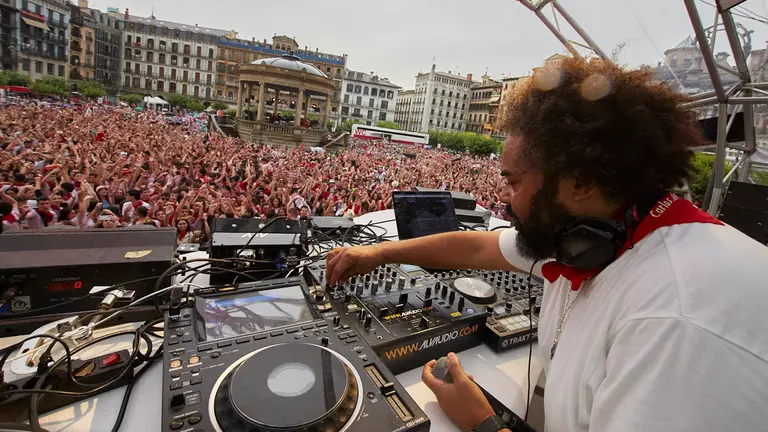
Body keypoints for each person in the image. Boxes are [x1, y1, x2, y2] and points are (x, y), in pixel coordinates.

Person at [325, 57, 768, 432]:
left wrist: (485, 422)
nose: (503, 198)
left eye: (514, 182)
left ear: (581, 181)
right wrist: (379, 252)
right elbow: (479, 249)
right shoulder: (595, 230)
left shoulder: (677, 318)